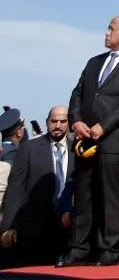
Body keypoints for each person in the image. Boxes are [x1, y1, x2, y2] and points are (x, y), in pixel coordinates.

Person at [59, 15, 119, 267]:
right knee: (83, 194)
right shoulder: (94, 62)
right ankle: (78, 248)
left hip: (113, 140)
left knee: (111, 196)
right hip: (85, 138)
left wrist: (105, 125)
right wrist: (76, 121)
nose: (106, 33)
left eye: (112, 29)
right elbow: (78, 93)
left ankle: (109, 248)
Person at [0, 106, 74, 265]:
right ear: (47, 122)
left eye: (62, 121)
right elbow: (16, 188)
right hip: (36, 229)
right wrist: (8, 226)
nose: (58, 125)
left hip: (69, 226)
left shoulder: (77, 149)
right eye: (54, 121)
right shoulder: (29, 149)